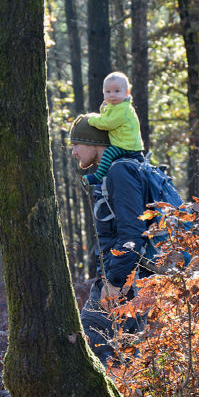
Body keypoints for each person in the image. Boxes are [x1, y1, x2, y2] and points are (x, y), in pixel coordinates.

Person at [69, 114, 150, 364]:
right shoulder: (120, 170)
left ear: (94, 143)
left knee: (90, 352)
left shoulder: (119, 172)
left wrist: (114, 282)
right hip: (127, 280)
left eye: (76, 144)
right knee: (125, 360)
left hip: (125, 283)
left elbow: (132, 234)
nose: (73, 152)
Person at [82, 72, 144, 186]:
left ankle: (98, 177)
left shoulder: (123, 108)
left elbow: (108, 123)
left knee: (108, 153)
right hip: (122, 143)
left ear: (126, 93)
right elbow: (106, 117)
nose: (112, 95)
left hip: (128, 146)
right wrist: (104, 109)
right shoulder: (114, 106)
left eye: (117, 91)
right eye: (107, 92)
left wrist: (92, 119)